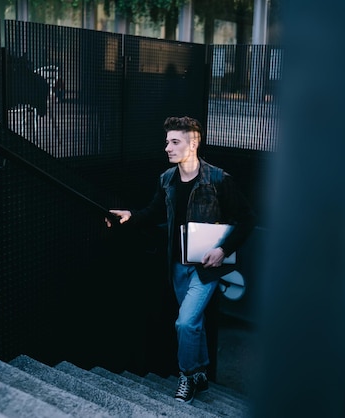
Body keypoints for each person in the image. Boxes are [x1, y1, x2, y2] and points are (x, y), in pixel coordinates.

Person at [105, 116, 256, 403]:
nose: (168, 148)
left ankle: (187, 376)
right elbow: (154, 212)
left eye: (175, 142)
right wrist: (132, 216)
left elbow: (247, 219)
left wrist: (223, 250)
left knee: (185, 324)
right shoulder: (167, 179)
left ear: (194, 142)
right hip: (177, 265)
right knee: (194, 323)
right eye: (167, 142)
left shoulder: (218, 179)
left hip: (206, 267)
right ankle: (200, 372)